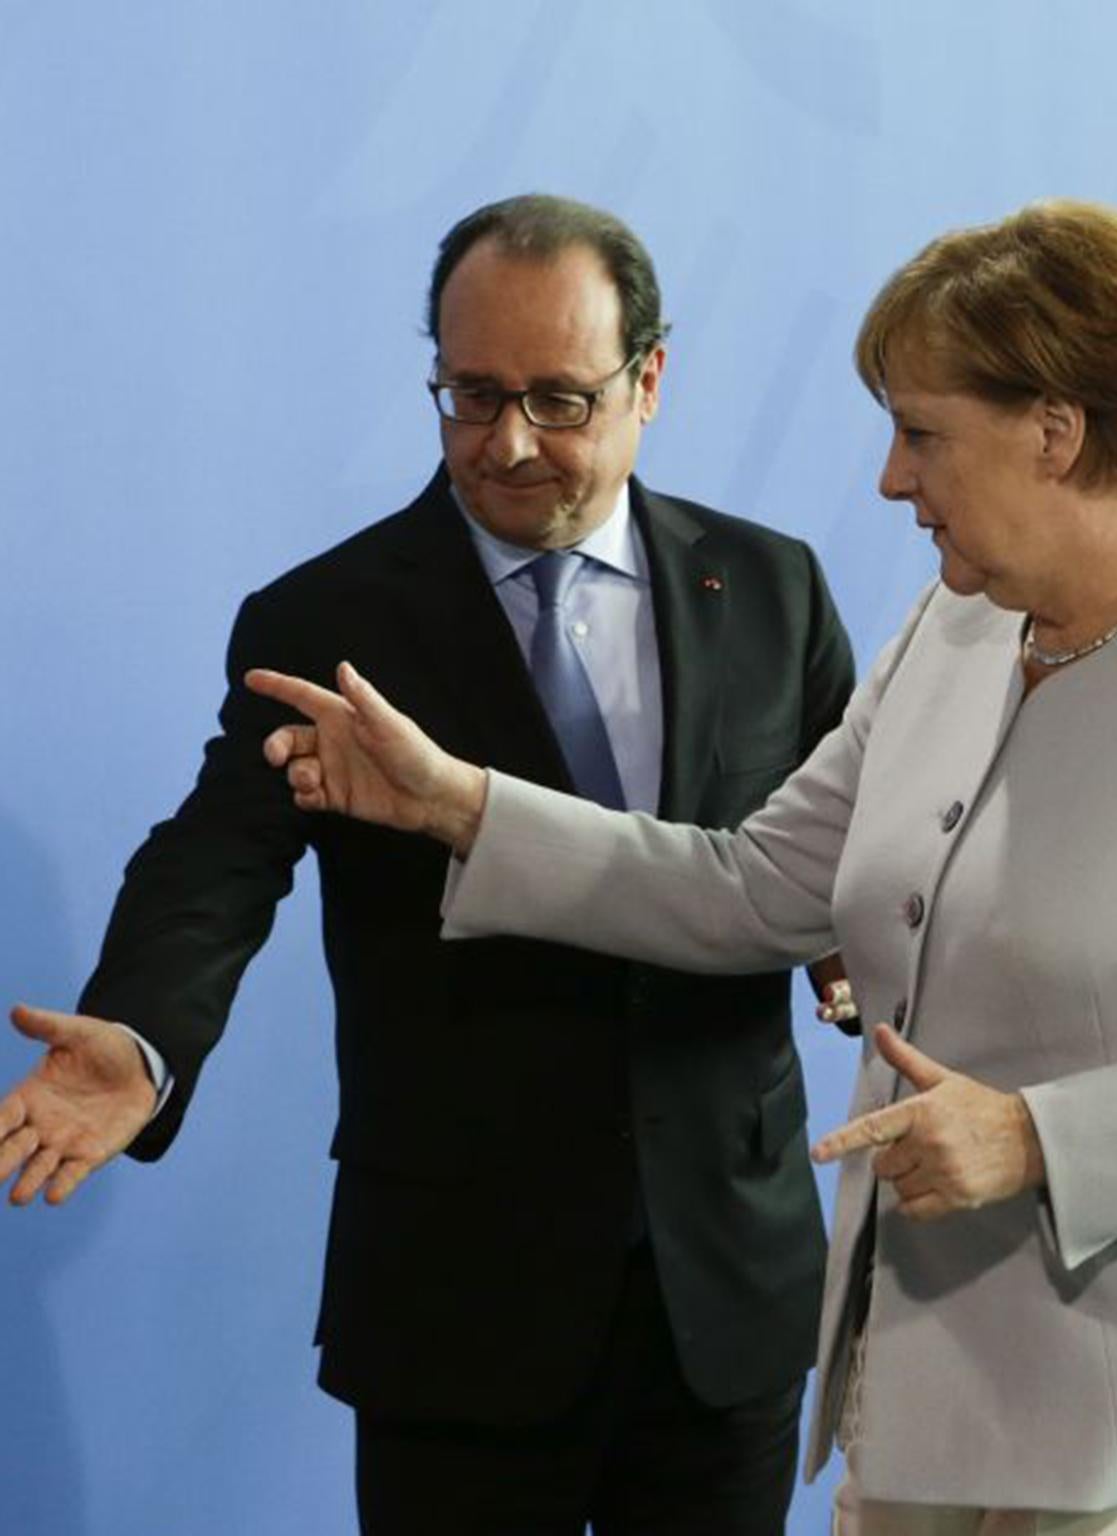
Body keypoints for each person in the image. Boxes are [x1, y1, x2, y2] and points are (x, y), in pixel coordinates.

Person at [246, 199, 1117, 1535]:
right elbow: (752, 887)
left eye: (922, 433)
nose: (890, 479)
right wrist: (462, 806)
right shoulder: (956, 626)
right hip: (941, 1397)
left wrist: (1039, 1135)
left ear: (1056, 428)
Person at [0, 194, 856, 1534]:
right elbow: (216, 860)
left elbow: (832, 856)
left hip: (726, 1287)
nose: (509, 443)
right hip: (464, 1296)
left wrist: (854, 961)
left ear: (652, 380)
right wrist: (145, 1036)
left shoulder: (774, 589)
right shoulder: (330, 617)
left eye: (561, 400)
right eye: (470, 395)